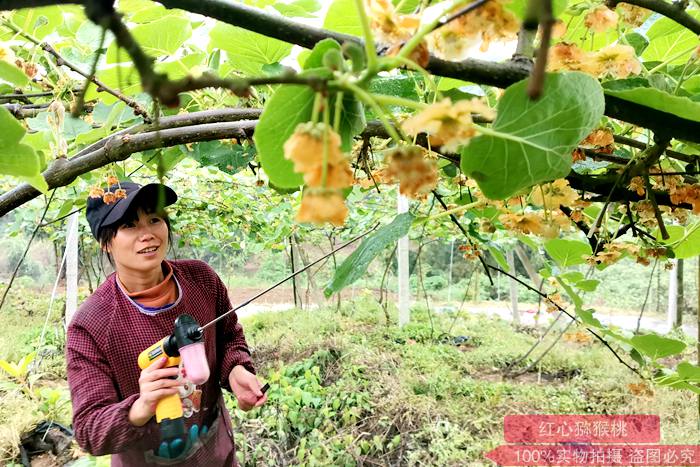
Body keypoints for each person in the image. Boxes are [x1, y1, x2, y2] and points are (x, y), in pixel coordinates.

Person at [66, 181, 267, 466]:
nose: (147, 234)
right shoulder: (91, 325)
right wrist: (141, 406)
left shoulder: (202, 281)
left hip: (217, 456)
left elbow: (228, 338)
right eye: (130, 226)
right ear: (105, 241)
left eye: (154, 219)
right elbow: (89, 430)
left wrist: (236, 370)